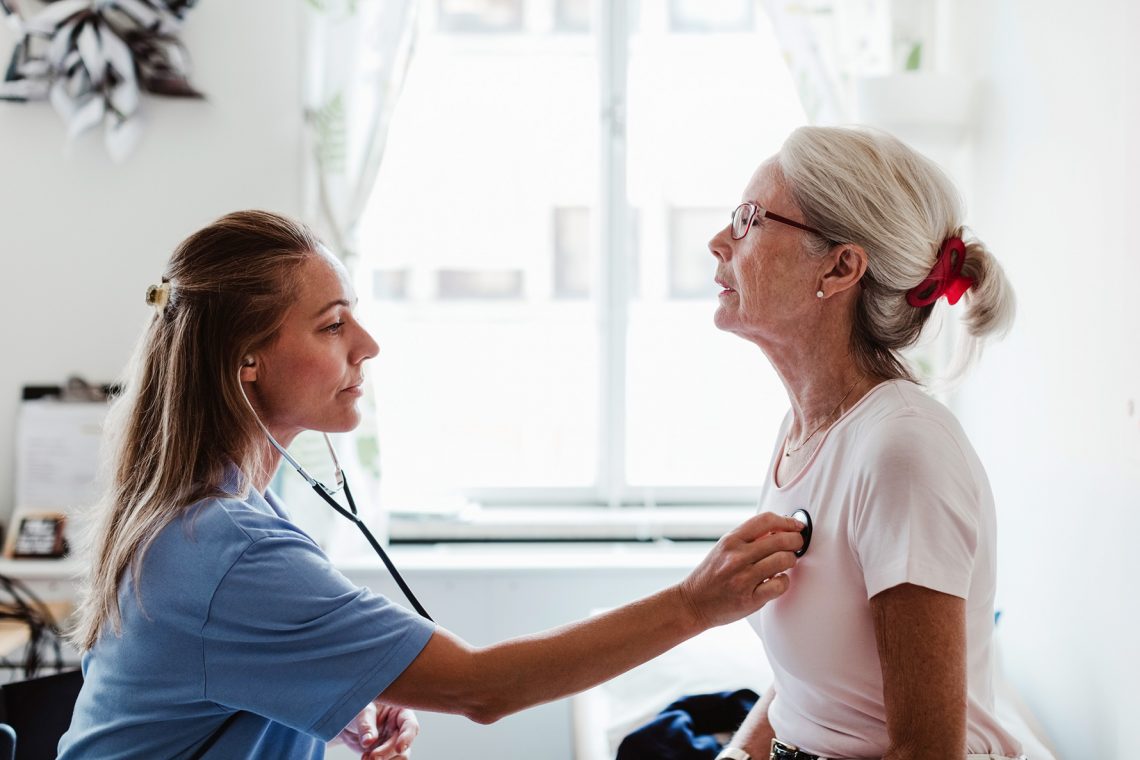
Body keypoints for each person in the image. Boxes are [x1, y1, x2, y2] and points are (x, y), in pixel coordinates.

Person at [57, 210, 806, 760]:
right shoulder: (229, 550)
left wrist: (328, 698)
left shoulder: (210, 511)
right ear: (244, 359)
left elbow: (206, 678)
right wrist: (696, 602)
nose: (368, 345)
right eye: (332, 325)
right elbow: (484, 689)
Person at [707, 127, 1032, 760]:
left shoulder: (903, 452)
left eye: (748, 220)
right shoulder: (805, 431)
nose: (719, 241)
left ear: (839, 266)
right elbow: (818, 685)